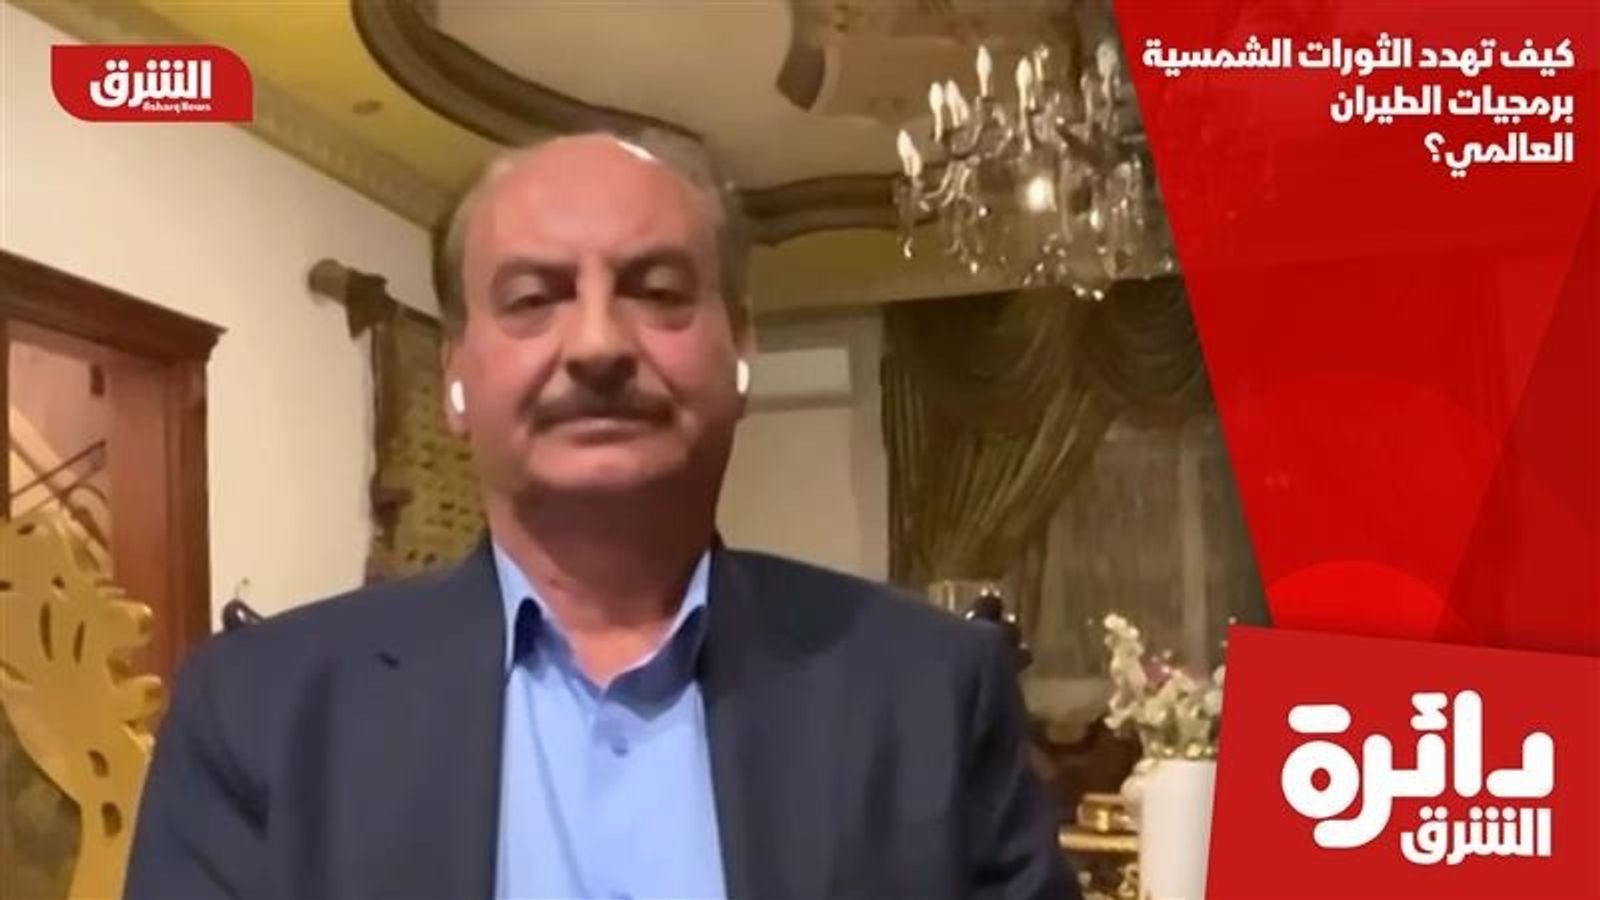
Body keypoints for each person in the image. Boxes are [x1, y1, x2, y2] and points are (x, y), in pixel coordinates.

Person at [125, 130, 1076, 900]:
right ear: (456, 377)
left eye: (657, 293)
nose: (596, 344)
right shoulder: (254, 714)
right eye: (533, 299)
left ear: (742, 356)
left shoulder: (935, 692)